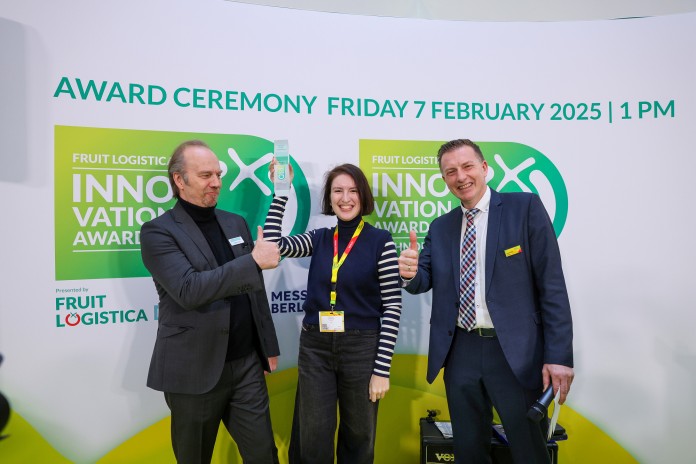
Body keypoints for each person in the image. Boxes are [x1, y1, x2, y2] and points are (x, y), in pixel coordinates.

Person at [398, 139, 574, 464]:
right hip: (460, 350)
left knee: (528, 451)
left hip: (514, 353)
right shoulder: (441, 227)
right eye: (450, 171)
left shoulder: (526, 209)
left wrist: (560, 355)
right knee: (468, 451)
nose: (460, 176)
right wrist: (408, 272)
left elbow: (552, 286)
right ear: (444, 179)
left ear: (484, 168)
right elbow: (422, 280)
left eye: (467, 167)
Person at [140, 140, 281, 464]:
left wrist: (268, 346)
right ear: (179, 179)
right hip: (194, 369)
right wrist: (254, 261)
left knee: (264, 456)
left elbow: (254, 290)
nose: (216, 182)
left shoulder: (235, 222)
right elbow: (189, 289)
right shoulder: (158, 232)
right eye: (205, 175)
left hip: (246, 364)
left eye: (217, 174)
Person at [263, 161, 402, 464]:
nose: (345, 198)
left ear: (363, 197)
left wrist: (381, 369)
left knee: (359, 437)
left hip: (362, 347)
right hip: (316, 347)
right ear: (329, 198)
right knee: (312, 436)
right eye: (337, 191)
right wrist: (281, 192)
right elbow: (272, 247)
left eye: (352, 190)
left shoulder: (382, 242)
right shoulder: (321, 238)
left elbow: (392, 306)